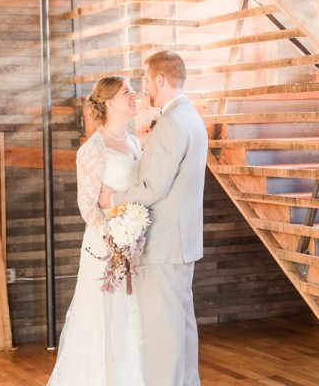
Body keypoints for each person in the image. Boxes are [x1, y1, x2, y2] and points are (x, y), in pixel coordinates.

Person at [99, 50, 208, 386]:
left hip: (164, 244)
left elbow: (152, 187)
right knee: (181, 328)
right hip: (182, 242)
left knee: (164, 335)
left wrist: (112, 199)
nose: (144, 88)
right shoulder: (190, 116)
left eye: (146, 80)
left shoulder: (172, 122)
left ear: (160, 79)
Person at [48, 76, 146, 386]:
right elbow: (88, 206)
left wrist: (133, 237)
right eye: (127, 92)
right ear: (110, 102)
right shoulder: (93, 149)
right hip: (107, 248)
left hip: (135, 244)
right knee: (105, 315)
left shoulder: (134, 142)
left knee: (132, 315)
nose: (134, 95)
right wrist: (115, 241)